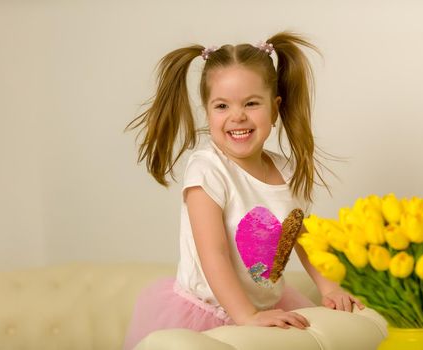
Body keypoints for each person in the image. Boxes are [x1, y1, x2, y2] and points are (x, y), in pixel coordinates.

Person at [123, 31, 363, 350]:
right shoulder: (208, 170)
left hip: (264, 307)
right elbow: (214, 253)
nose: (237, 116)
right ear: (207, 112)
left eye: (251, 103)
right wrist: (246, 315)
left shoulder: (286, 171)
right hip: (210, 309)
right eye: (222, 105)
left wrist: (329, 286)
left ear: (275, 109)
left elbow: (301, 234)